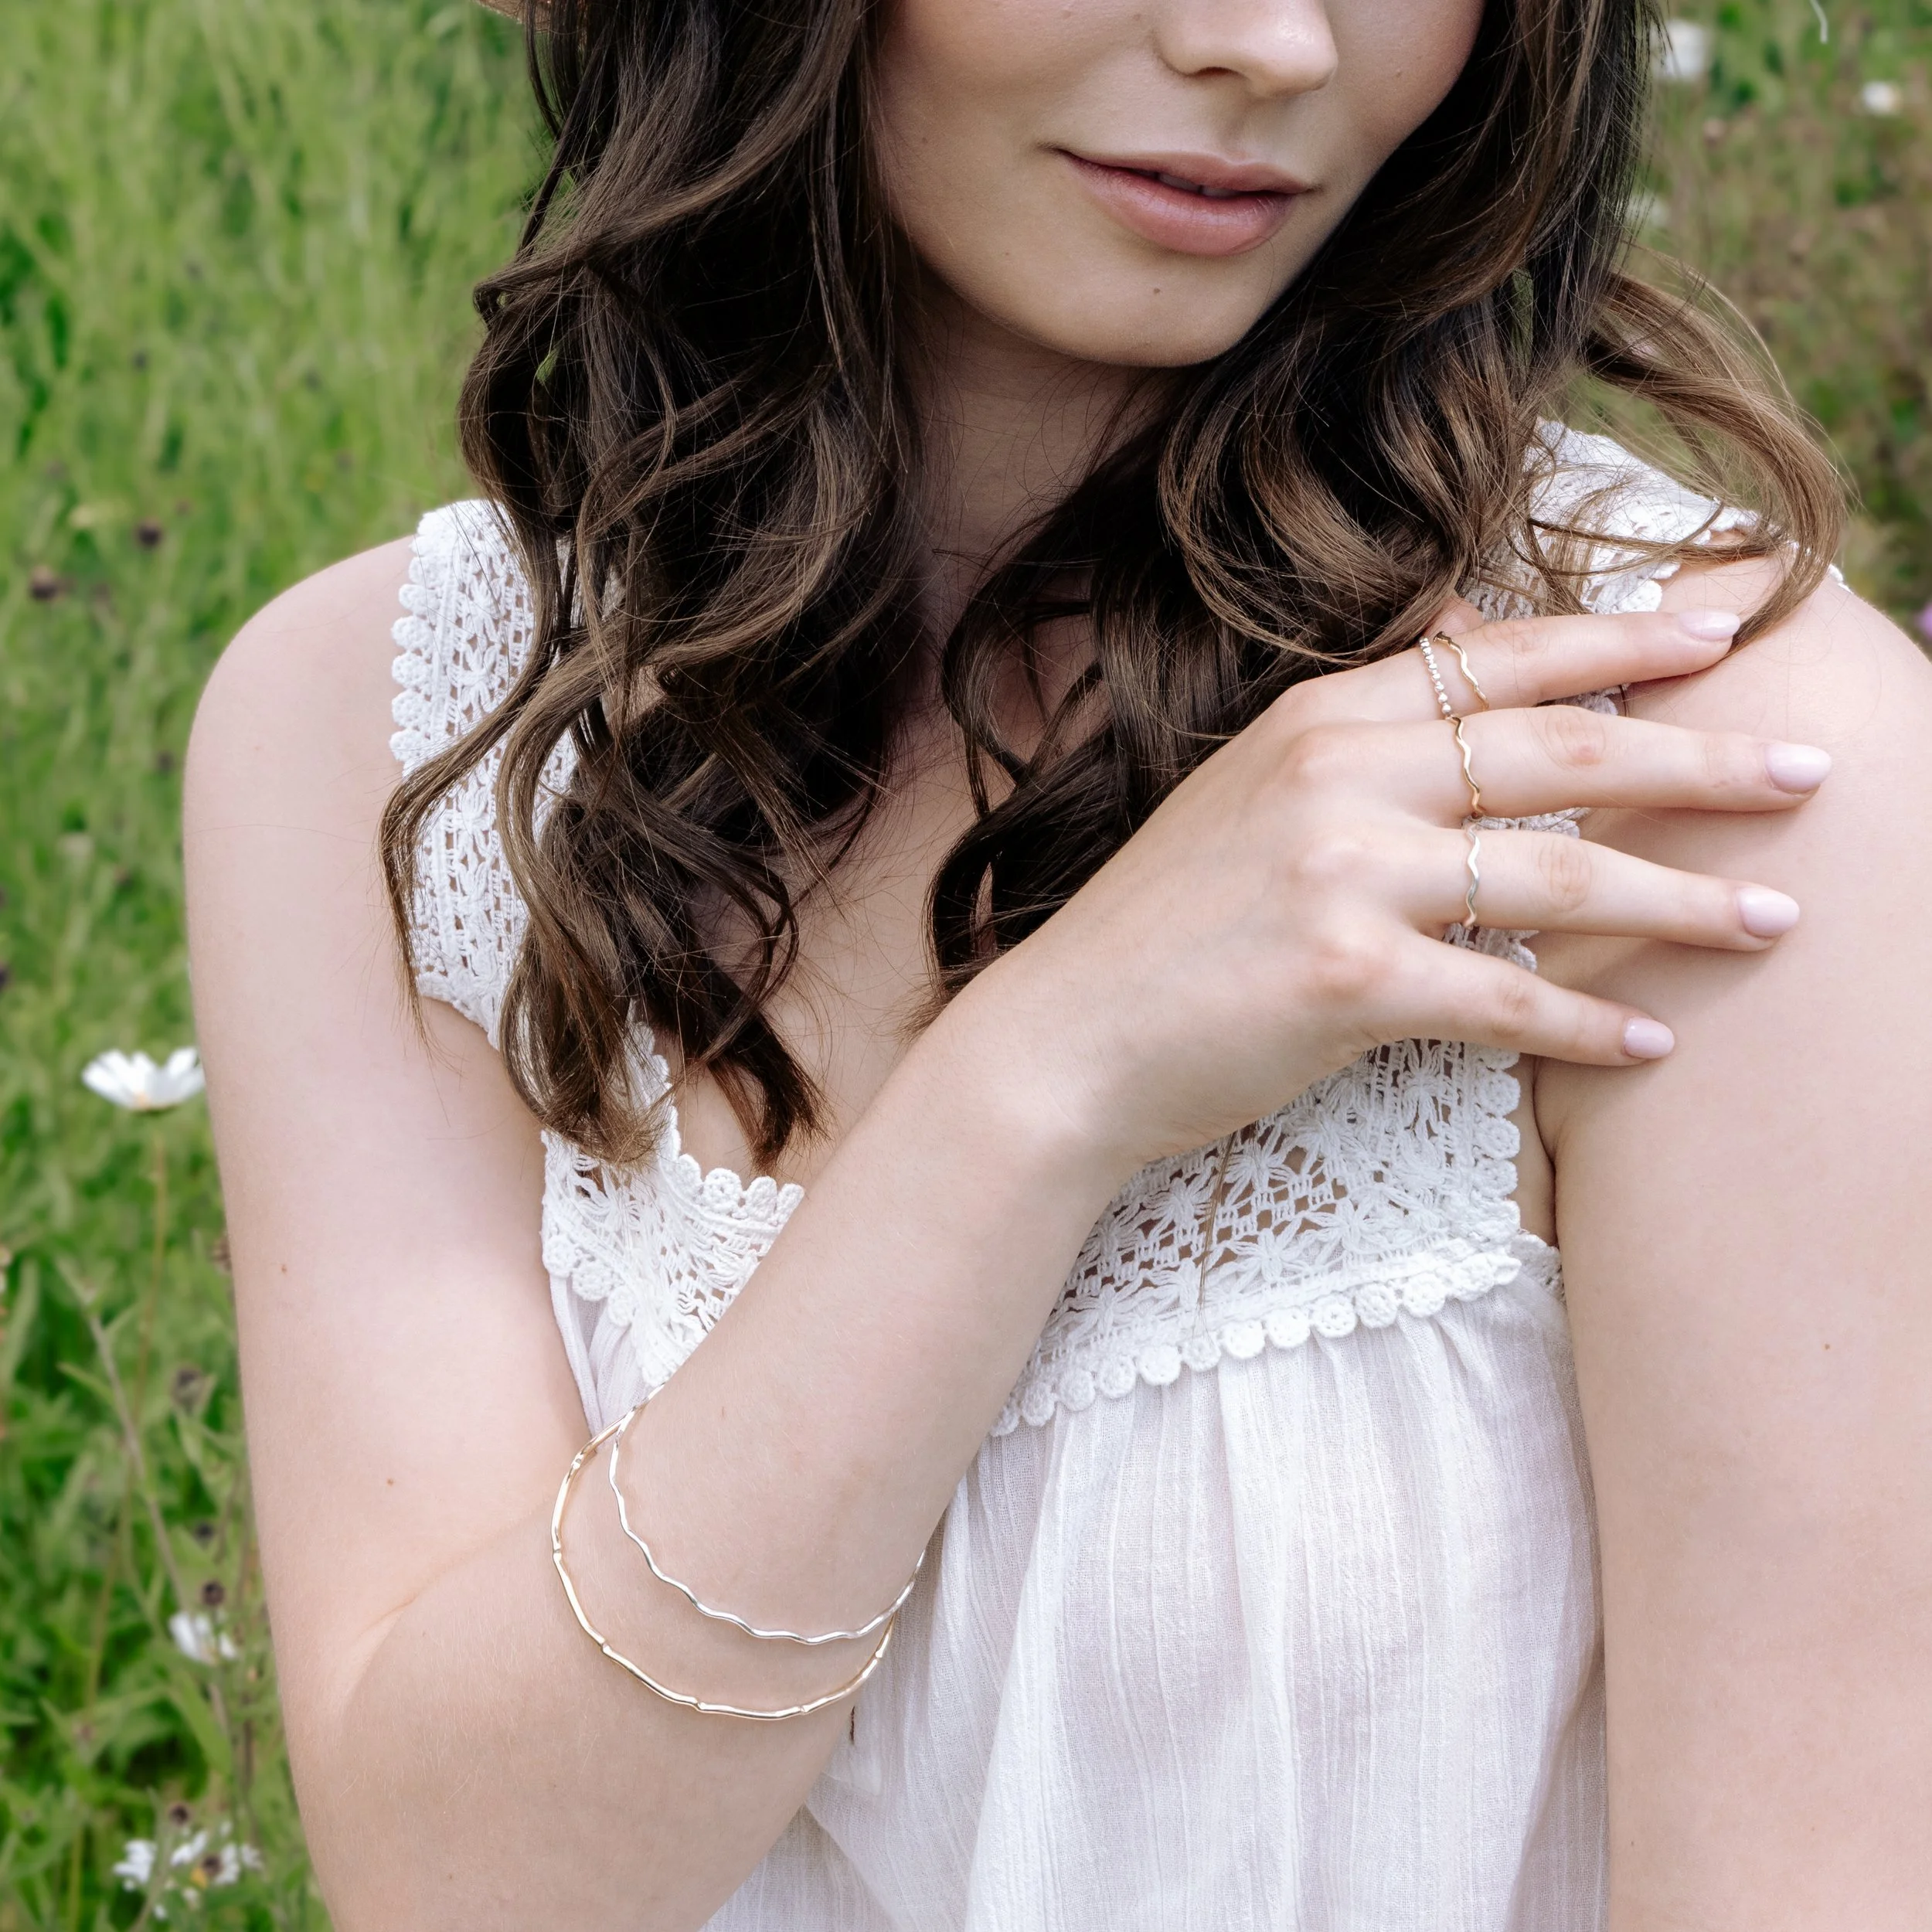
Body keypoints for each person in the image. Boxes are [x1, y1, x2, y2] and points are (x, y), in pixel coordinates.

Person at [182, 0, 1932, 1924]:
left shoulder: (1687, 753)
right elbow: (460, 1883)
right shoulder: (397, 733)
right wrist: (1038, 1084)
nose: (1265, 42)